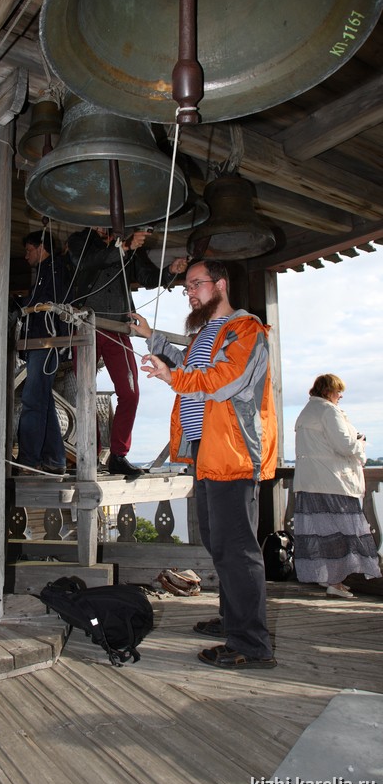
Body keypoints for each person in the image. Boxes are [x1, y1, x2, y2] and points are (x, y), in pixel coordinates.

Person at [134, 259, 278, 669]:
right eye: (187, 288)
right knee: (220, 543)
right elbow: (189, 368)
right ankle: (234, 619)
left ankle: (250, 644)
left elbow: (223, 380)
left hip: (233, 451)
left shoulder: (246, 329)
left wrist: (171, 378)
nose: (191, 292)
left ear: (221, 284)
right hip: (206, 449)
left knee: (237, 549)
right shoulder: (205, 335)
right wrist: (151, 337)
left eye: (197, 284)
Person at [67, 226, 187, 477]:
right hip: (86, 326)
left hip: (118, 327)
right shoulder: (80, 240)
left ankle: (118, 455)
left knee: (130, 393)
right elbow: (85, 262)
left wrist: (170, 272)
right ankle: (90, 453)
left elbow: (145, 276)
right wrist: (123, 248)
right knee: (84, 393)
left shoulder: (126, 242)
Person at [293, 373, 381, 598]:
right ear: (327, 391)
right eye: (338, 391)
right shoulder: (328, 411)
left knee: (323, 533)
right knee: (342, 533)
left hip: (311, 482)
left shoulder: (307, 411)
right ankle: (335, 581)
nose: (340, 395)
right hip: (332, 481)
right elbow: (344, 446)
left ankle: (329, 579)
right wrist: (360, 443)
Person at [15, 230, 67, 475]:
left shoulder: (56, 270)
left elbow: (52, 302)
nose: (26, 256)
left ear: (41, 247)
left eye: (28, 250)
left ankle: (27, 459)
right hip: (42, 340)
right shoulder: (47, 271)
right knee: (42, 401)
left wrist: (26, 309)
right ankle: (55, 458)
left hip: (45, 340)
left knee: (33, 400)